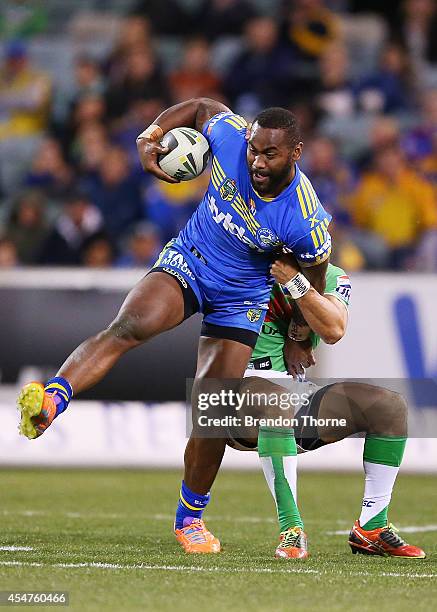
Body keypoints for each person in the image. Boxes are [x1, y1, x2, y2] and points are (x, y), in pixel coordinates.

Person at [17, 97, 332, 554]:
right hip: (191, 259)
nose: (257, 162)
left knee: (213, 409)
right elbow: (203, 106)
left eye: (270, 155)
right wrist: (150, 136)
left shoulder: (305, 217)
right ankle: (52, 399)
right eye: (254, 151)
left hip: (242, 297)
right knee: (130, 325)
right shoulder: (228, 139)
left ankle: (190, 520)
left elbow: (314, 281)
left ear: (296, 153)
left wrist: (298, 339)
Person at [226, 256, 425, 560]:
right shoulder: (238, 263)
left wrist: (295, 288)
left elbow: (333, 329)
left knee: (390, 406)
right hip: (229, 399)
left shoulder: (333, 277)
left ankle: (371, 528)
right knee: (275, 399)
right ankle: (291, 529)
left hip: (294, 397)